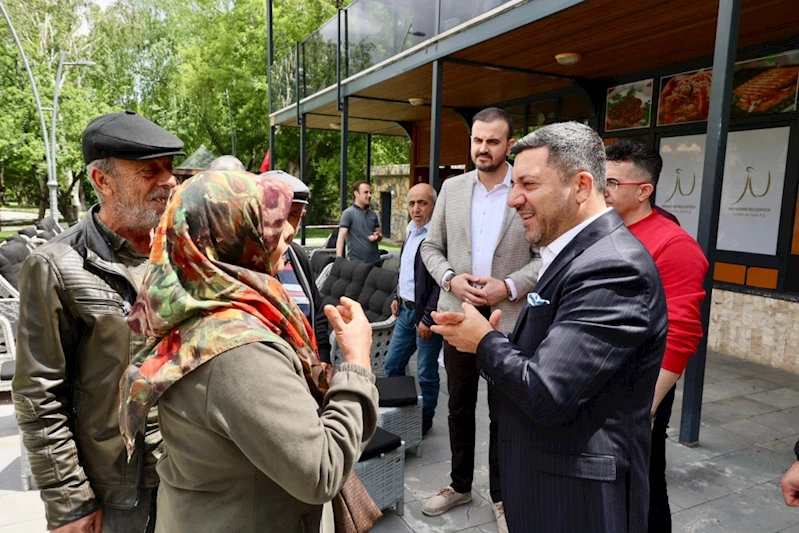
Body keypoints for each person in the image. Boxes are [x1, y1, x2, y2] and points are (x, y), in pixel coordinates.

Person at [430, 122, 668, 533]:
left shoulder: (614, 267)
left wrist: (484, 342)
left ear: (581, 186)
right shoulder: (574, 252)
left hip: (578, 503)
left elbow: (547, 392)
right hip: (550, 485)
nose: (514, 199)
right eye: (514, 185)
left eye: (528, 184)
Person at [119, 171, 379, 533]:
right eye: (262, 221)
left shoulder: (198, 306)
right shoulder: (237, 349)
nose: (287, 232)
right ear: (225, 238)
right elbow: (322, 472)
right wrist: (357, 362)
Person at [12, 110, 185, 533]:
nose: (169, 181)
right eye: (150, 171)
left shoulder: (184, 252)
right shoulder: (56, 266)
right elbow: (39, 395)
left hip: (190, 480)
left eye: (169, 168)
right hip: (116, 496)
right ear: (101, 180)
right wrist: (69, 501)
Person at [420, 107, 541, 531]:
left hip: (508, 318)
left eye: (492, 141)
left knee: (504, 412)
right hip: (458, 315)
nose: (483, 148)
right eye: (477, 140)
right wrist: (450, 278)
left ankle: (504, 496)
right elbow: (430, 247)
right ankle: (460, 485)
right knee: (458, 405)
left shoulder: (526, 190)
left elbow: (545, 256)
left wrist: (506, 286)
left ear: (510, 144)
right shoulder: (452, 188)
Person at [605, 139, 709, 533]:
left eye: (613, 182)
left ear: (644, 190)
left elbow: (682, 333)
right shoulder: (602, 230)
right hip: (596, 378)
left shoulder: (674, 244)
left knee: (643, 486)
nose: (602, 189)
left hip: (639, 387)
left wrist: (645, 407)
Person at [384, 183, 442, 436]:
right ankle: (400, 413)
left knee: (426, 373)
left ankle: (424, 420)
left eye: (422, 203)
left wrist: (428, 318)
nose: (416, 209)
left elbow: (442, 283)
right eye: (411, 203)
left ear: (434, 205)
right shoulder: (410, 230)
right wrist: (397, 294)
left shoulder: (438, 236)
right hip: (405, 312)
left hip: (425, 316)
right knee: (392, 364)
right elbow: (405, 269)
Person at [261, 169, 332, 368]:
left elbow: (316, 310)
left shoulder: (298, 257)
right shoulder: (242, 264)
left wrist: (323, 358)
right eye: (280, 214)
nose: (288, 228)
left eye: (293, 216)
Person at [337, 181, 382, 265]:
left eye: (370, 192)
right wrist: (338, 259)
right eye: (366, 192)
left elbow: (380, 235)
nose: (369, 195)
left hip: (375, 262)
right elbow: (341, 236)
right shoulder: (348, 213)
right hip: (356, 263)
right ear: (356, 193)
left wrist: (377, 236)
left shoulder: (373, 214)